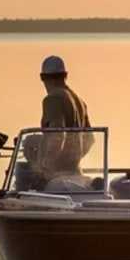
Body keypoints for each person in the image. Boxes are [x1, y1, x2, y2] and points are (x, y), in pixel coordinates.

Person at [23, 56, 92, 187]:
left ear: (42, 77)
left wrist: (45, 169)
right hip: (76, 174)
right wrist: (72, 159)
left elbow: (57, 137)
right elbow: (90, 139)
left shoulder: (53, 99)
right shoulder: (80, 101)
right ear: (65, 75)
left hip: (57, 180)